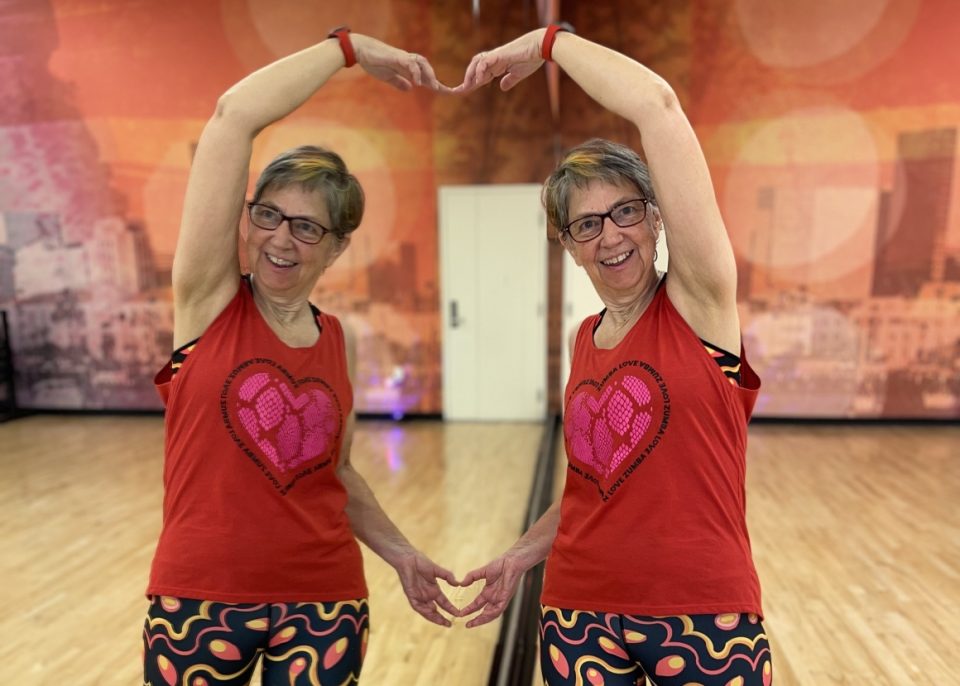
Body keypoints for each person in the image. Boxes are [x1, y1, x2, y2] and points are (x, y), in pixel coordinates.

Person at [453, 26, 774, 686]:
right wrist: (520, 556)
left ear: (657, 220)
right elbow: (593, 489)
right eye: (587, 224)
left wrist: (549, 43)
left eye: (626, 211)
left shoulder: (700, 305)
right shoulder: (586, 341)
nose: (611, 235)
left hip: (704, 616)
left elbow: (656, 105)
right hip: (578, 617)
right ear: (569, 245)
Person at [142, 30, 458, 686]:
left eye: (307, 227)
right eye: (268, 216)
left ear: (337, 247)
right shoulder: (206, 302)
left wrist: (400, 553)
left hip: (324, 603)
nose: (280, 240)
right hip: (201, 600)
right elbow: (234, 115)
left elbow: (335, 473)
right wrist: (346, 50)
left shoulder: (336, 340)